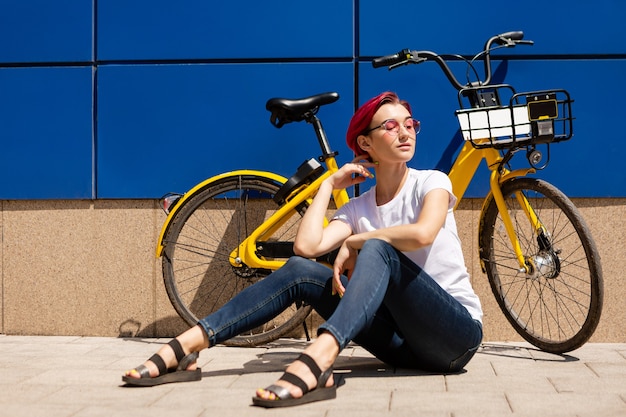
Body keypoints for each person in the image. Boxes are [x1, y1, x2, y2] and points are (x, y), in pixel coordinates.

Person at [122, 91, 483, 408]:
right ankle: (187, 346)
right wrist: (327, 185)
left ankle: (320, 358)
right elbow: (306, 247)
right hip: (401, 346)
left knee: (377, 247)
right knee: (299, 270)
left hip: (454, 339)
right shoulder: (358, 208)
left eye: (409, 123)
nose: (405, 132)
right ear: (365, 144)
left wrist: (357, 242)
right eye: (390, 127)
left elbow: (423, 233)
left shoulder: (432, 182)